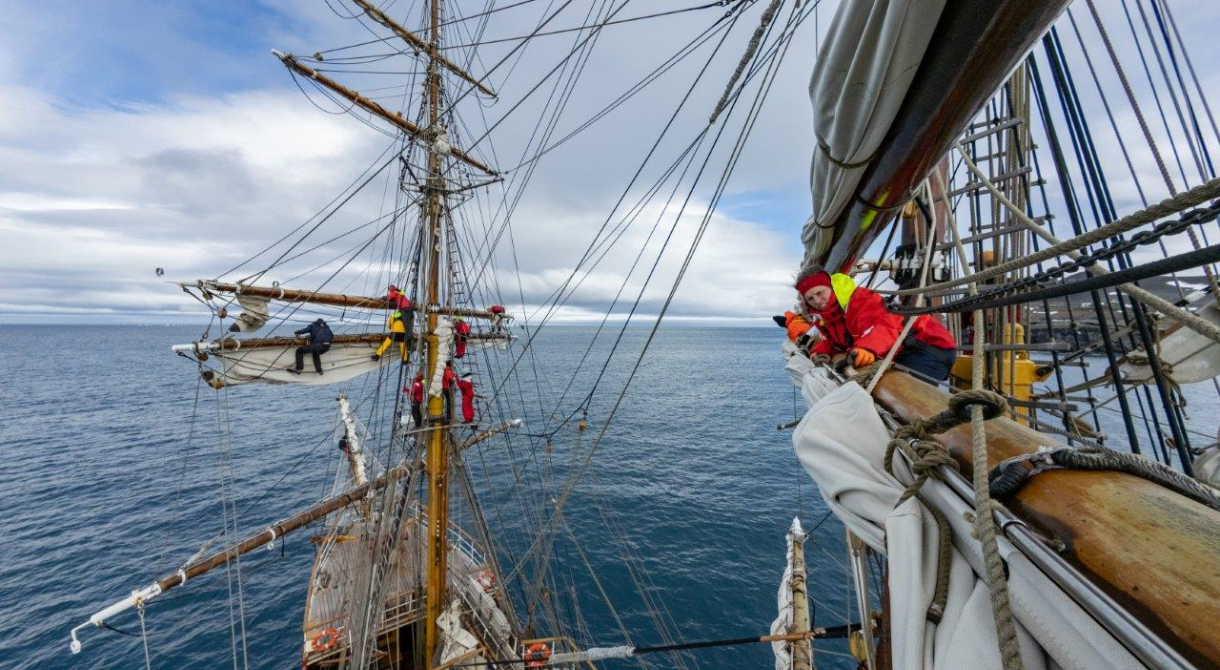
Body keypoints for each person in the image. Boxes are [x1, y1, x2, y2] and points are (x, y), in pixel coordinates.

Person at [795, 271, 957, 382]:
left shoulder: (860, 299)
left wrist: (867, 348)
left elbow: (881, 327)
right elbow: (836, 342)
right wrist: (820, 351)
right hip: (897, 350)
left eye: (820, 293)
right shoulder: (828, 318)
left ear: (831, 288)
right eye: (810, 299)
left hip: (927, 347)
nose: (817, 301)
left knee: (903, 401)